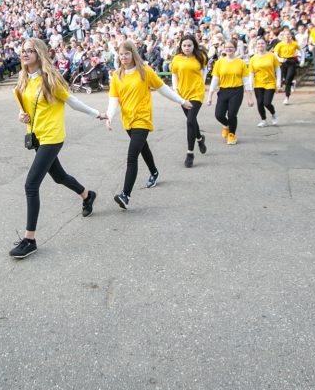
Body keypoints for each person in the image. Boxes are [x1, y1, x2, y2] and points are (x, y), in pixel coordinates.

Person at [11, 38, 105, 259]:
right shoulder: (23, 81)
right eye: (22, 51)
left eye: (29, 51)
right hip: (37, 136)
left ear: (39, 53)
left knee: (31, 184)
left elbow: (72, 101)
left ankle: (29, 240)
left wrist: (96, 113)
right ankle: (87, 195)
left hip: (52, 137)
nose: (24, 54)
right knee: (59, 176)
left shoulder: (50, 80)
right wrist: (21, 116)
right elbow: (25, 108)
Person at [105, 40, 192, 208]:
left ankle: (125, 195)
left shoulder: (145, 71)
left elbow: (163, 89)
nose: (123, 57)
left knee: (132, 156)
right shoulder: (117, 75)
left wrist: (181, 101)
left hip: (142, 119)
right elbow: (113, 100)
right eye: (121, 54)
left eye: (126, 54)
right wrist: (109, 116)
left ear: (133, 54)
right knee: (143, 148)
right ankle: (154, 172)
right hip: (128, 120)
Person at [169, 35, 208, 167]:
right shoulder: (176, 59)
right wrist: (175, 89)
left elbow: (204, 70)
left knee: (190, 120)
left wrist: (201, 83)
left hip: (196, 93)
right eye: (184, 45)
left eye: (189, 45)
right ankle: (199, 138)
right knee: (192, 121)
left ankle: (190, 153)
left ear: (194, 46)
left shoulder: (200, 56)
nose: (187, 48)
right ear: (181, 46)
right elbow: (174, 74)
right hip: (182, 93)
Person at [206, 40, 255, 145]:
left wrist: (249, 98)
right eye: (226, 47)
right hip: (223, 91)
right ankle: (226, 125)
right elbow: (215, 80)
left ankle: (232, 134)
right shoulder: (219, 62)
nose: (228, 49)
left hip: (237, 91)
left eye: (231, 47)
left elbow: (246, 82)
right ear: (223, 48)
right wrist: (210, 96)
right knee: (219, 115)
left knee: (232, 114)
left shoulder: (241, 63)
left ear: (235, 48)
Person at [248, 38, 281, 127]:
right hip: (258, 83)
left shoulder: (272, 56)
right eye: (258, 44)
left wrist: (278, 82)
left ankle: (273, 114)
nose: (260, 45)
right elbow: (251, 73)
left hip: (270, 82)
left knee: (267, 102)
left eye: (262, 43)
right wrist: (250, 85)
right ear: (256, 46)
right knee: (259, 102)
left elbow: (277, 69)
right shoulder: (253, 59)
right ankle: (263, 120)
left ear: (265, 45)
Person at [273, 29, 300, 104]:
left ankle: (287, 97)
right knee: (285, 78)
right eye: (285, 34)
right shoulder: (280, 44)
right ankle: (292, 83)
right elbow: (275, 53)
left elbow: (302, 50)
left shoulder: (294, 44)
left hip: (291, 61)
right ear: (283, 36)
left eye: (288, 34)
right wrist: (279, 59)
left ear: (291, 36)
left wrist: (302, 60)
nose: (287, 36)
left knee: (287, 80)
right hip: (283, 62)